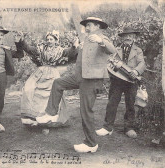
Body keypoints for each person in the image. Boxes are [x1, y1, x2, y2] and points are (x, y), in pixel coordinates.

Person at [36, 17, 116, 153]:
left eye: (89, 25)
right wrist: (77, 47)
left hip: (91, 80)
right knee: (58, 83)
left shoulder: (101, 38)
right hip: (80, 77)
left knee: (86, 111)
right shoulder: (85, 40)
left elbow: (111, 49)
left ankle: (91, 144)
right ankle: (51, 113)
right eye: (86, 25)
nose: (86, 28)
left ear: (97, 26)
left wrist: (100, 41)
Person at [17, 30, 79, 126]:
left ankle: (50, 118)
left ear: (56, 40)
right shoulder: (41, 48)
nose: (49, 41)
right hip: (40, 72)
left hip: (52, 73)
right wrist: (22, 41)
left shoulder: (61, 50)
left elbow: (71, 53)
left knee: (51, 93)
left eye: (51, 39)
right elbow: (29, 49)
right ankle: (32, 116)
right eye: (48, 39)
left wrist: (74, 45)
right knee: (29, 87)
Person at [96, 27, 146, 138]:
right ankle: (107, 127)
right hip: (117, 80)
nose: (128, 37)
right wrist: (114, 65)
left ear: (134, 38)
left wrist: (135, 71)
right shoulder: (116, 49)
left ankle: (129, 128)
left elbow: (142, 64)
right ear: (122, 37)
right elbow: (109, 61)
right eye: (126, 36)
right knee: (112, 103)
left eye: (131, 36)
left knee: (130, 104)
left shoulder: (138, 50)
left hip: (131, 81)